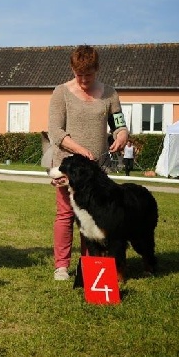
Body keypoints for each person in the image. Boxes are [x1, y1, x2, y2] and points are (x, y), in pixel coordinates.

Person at [47, 44, 129, 281]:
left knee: (94, 215)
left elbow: (119, 125)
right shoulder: (60, 93)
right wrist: (81, 150)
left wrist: (122, 134)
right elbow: (55, 131)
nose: (83, 80)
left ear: (98, 69)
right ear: (72, 70)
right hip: (68, 166)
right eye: (79, 74)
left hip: (97, 171)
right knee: (66, 215)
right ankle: (61, 266)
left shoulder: (110, 93)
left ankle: (90, 262)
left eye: (89, 74)